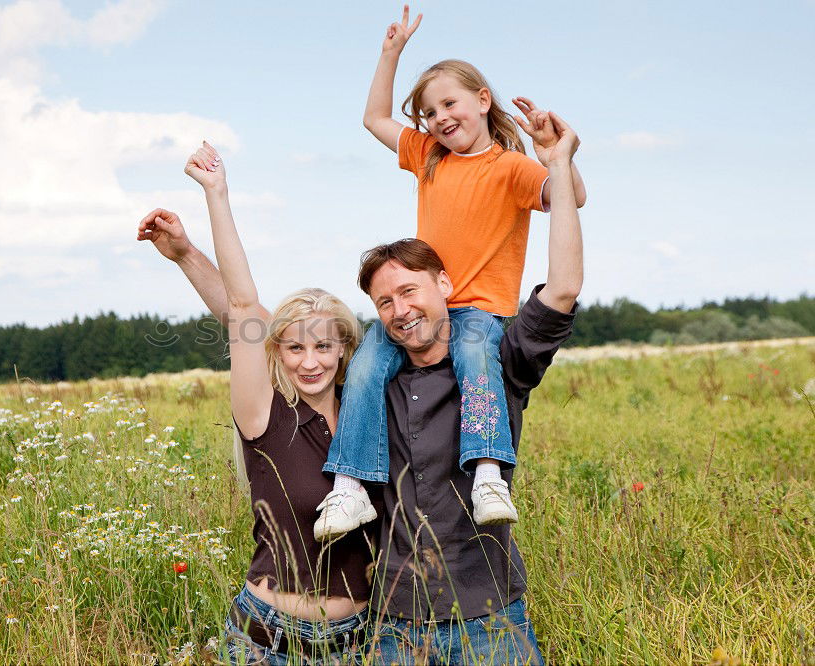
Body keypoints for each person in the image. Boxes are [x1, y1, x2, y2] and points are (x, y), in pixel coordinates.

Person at [316, 6, 587, 540]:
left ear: (482, 100)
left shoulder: (509, 167)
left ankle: (488, 474)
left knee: (473, 359)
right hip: (416, 307)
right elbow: (374, 119)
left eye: (449, 104)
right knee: (368, 363)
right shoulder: (430, 157)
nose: (439, 118)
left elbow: (572, 197)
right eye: (428, 112)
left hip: (479, 307)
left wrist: (557, 157)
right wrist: (390, 51)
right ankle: (350, 487)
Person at [137, 143, 372, 665]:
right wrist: (216, 194)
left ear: (345, 350)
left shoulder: (369, 423)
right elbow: (242, 309)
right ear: (278, 351)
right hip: (267, 637)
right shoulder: (265, 415)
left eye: (323, 346)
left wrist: (184, 254)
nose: (309, 362)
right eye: (294, 347)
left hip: (359, 642)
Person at [364, 110, 583, 664]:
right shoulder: (369, 382)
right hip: (393, 625)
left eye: (410, 290)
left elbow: (562, 288)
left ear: (444, 283)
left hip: (488, 619)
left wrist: (556, 161)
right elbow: (262, 327)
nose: (400, 309)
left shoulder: (500, 361)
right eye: (385, 301)